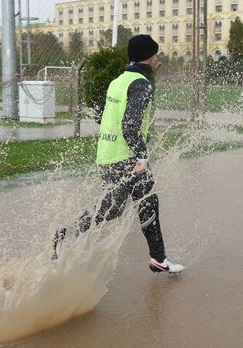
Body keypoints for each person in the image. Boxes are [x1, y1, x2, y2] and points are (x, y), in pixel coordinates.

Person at [53, 35, 183, 273]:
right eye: (155, 54)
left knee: (115, 208)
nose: (156, 59)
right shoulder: (142, 84)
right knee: (145, 202)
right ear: (150, 56)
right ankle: (158, 259)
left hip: (107, 155)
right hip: (127, 158)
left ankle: (67, 234)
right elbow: (131, 124)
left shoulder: (119, 81)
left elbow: (101, 114)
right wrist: (141, 157)